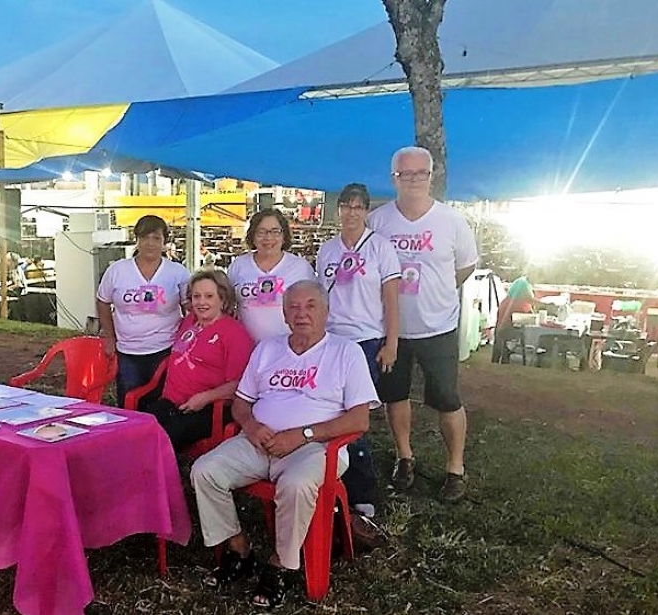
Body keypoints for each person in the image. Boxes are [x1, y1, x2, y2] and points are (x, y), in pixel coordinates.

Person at [191, 281, 378, 609]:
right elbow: (242, 402)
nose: (301, 313)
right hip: (259, 440)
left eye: (310, 306)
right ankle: (239, 548)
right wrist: (251, 426)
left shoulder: (346, 352)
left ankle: (281, 564)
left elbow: (359, 420)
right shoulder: (268, 349)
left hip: (314, 447)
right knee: (205, 471)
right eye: (293, 307)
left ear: (326, 311)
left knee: (295, 484)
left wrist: (303, 434)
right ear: (284, 314)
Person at [365, 146, 479, 503]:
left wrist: (436, 291)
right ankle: (404, 457)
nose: (413, 179)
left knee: (446, 399)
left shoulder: (452, 221)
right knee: (395, 395)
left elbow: (465, 267)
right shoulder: (378, 222)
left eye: (420, 173)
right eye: (405, 174)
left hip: (438, 326)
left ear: (431, 176)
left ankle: (455, 468)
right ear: (393, 178)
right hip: (392, 329)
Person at [315, 182, 400, 539]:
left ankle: (363, 495)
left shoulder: (381, 248)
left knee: (355, 418)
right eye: (345, 206)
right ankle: (334, 480)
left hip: (366, 341)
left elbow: (391, 299)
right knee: (332, 413)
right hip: (333, 340)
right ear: (338, 211)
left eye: (357, 207)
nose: (351, 212)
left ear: (366, 211)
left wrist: (391, 342)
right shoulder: (326, 251)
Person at [142, 270, 254, 450]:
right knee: (138, 430)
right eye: (196, 296)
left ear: (223, 299)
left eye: (209, 296)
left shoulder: (235, 333)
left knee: (160, 441)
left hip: (207, 408)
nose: (201, 302)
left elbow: (238, 384)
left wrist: (204, 398)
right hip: (171, 402)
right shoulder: (189, 321)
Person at [96, 215, 190, 407]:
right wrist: (110, 337)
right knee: (129, 402)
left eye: (156, 238)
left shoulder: (178, 272)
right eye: (145, 237)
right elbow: (103, 301)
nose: (150, 243)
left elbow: (189, 307)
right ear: (137, 239)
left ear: (165, 242)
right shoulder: (117, 270)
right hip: (128, 350)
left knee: (162, 403)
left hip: (166, 348)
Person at [227, 209, 315, 344]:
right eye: (261, 232)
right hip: (246, 347)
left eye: (275, 231)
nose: (268, 238)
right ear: (253, 236)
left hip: (289, 347)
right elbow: (228, 305)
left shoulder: (301, 267)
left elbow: (314, 307)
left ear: (284, 236)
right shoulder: (238, 265)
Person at [491, 275, 536, 363]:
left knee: (501, 336)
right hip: (509, 320)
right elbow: (529, 301)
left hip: (505, 321)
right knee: (507, 333)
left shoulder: (506, 300)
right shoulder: (522, 287)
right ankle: (502, 358)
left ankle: (500, 359)